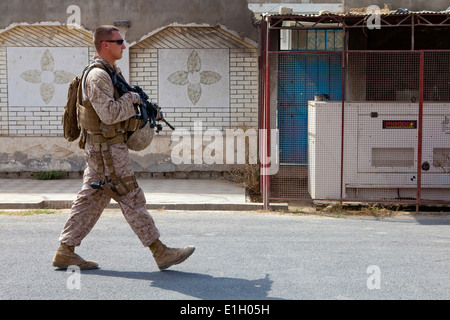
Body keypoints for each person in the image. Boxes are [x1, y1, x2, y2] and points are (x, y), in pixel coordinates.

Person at [52, 25, 194, 271]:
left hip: (104, 149)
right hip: (106, 150)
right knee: (130, 196)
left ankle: (65, 250)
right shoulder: (98, 76)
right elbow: (109, 114)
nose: (124, 46)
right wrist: (132, 99)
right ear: (105, 44)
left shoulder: (110, 72)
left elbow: (118, 109)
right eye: (119, 41)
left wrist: (147, 112)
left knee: (91, 199)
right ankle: (160, 252)